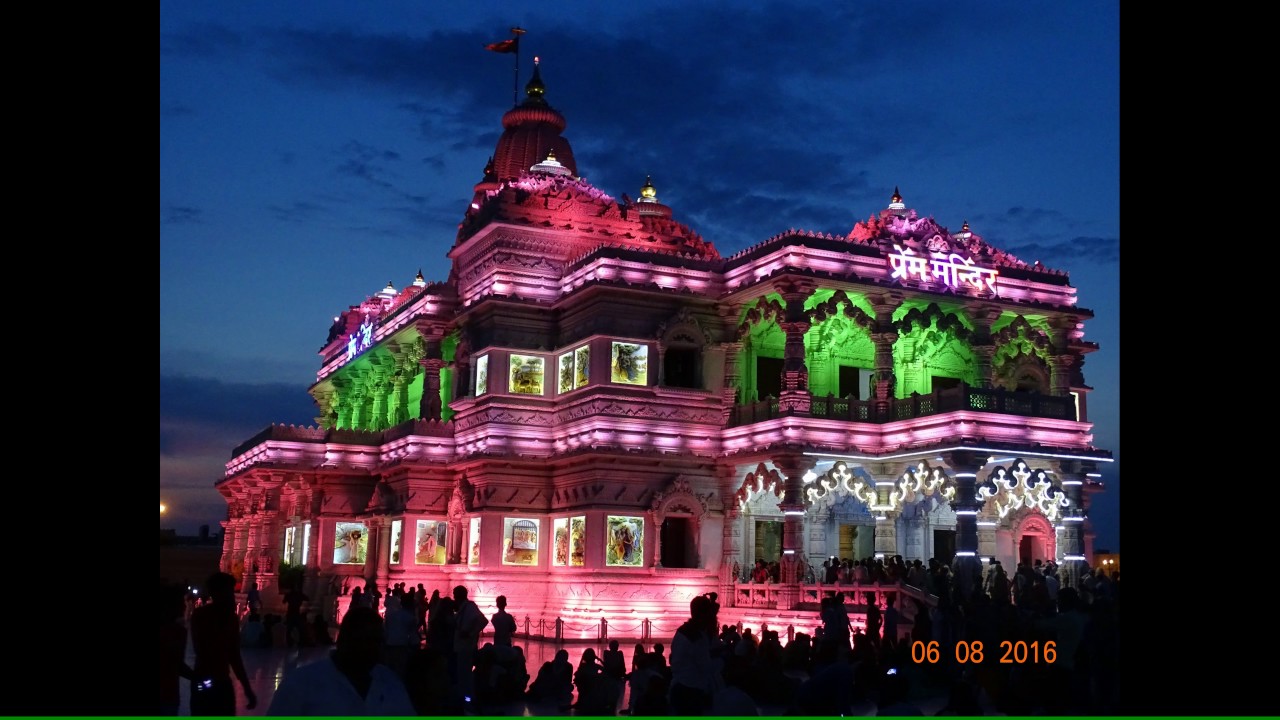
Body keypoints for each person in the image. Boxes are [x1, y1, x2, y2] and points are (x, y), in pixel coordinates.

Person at [266, 606, 416, 715]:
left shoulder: (390, 682)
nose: (373, 648)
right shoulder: (302, 684)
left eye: (377, 641)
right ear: (344, 641)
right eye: (364, 640)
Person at [189, 572, 257, 715]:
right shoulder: (205, 616)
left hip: (214, 680)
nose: (232, 596)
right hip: (210, 680)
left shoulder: (223, 617)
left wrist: (247, 688)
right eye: (229, 592)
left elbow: (234, 655)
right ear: (217, 593)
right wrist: (247, 688)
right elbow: (229, 654)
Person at [668, 594, 719, 715]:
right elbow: (706, 667)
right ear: (704, 615)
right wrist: (722, 660)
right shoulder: (696, 637)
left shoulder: (683, 630)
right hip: (691, 693)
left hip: (679, 687)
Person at [452, 585, 489, 701]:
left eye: (455, 594)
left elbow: (483, 620)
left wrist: (470, 633)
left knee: (465, 673)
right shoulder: (463, 608)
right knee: (462, 673)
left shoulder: (469, 607)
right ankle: (464, 696)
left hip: (466, 647)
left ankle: (468, 698)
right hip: (461, 646)